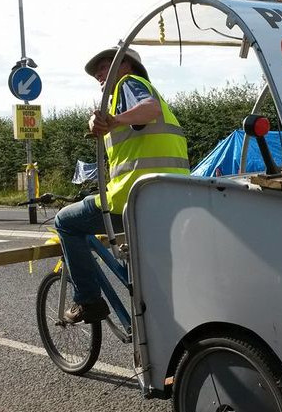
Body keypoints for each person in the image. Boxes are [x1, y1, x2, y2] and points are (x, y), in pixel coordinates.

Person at [55, 47, 189, 324]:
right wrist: (102, 122)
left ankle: (88, 301)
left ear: (124, 65)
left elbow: (148, 109)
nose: (98, 76)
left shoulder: (130, 85)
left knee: (65, 221)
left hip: (134, 197)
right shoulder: (122, 99)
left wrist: (113, 120)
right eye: (96, 73)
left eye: (103, 67)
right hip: (169, 194)